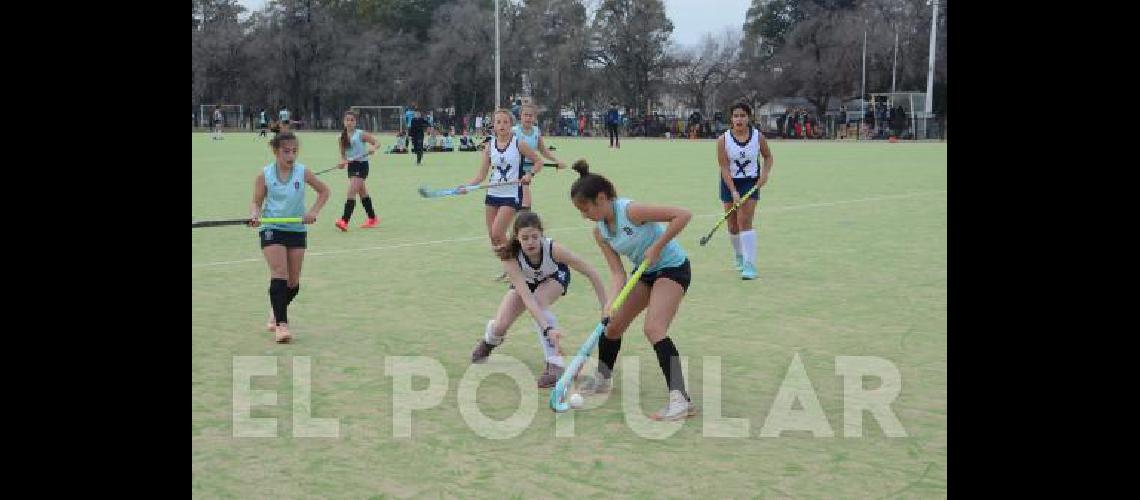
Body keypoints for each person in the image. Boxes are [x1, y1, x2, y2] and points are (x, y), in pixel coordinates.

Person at [568, 160, 696, 421]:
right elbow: (617, 273)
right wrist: (610, 303)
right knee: (612, 326)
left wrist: (658, 245)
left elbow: (682, 214)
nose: (584, 215)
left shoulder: (631, 211)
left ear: (601, 199)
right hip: (645, 273)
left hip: (672, 269)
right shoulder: (600, 232)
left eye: (585, 209)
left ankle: (681, 400)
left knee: (654, 329)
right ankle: (603, 378)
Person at [470, 211, 608, 387]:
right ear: (517, 238)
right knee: (501, 325)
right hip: (527, 283)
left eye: (535, 237)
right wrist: (548, 328)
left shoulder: (554, 250)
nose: (530, 242)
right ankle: (489, 341)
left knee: (540, 301)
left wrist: (605, 305)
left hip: (555, 277)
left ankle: (555, 365)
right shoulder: (510, 256)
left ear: (542, 235)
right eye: (525, 237)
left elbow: (591, 272)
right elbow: (527, 298)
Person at [248, 132, 331, 343]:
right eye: (286, 151)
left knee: (293, 284)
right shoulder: (264, 175)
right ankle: (281, 326)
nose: (291, 156)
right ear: (276, 151)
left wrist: (313, 212)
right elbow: (256, 202)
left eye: (294, 151)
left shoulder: (303, 172)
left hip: (296, 229)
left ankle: (276, 310)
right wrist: (255, 215)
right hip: (272, 227)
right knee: (280, 273)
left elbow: (324, 192)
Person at [456, 108, 546, 273]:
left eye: (505, 122)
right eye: (498, 122)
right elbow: (481, 175)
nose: (502, 125)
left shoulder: (519, 143)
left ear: (511, 125)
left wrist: (529, 174)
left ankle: (518, 266)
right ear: (494, 126)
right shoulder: (489, 147)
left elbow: (538, 162)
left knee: (498, 232)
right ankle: (511, 268)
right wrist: (467, 186)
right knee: (493, 237)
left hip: (511, 194)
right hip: (492, 194)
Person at [716, 103, 774, 280]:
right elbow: (724, 167)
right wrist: (733, 191)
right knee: (732, 225)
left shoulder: (758, 137)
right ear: (731, 119)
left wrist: (764, 174)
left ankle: (750, 264)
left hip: (750, 182)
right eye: (735, 116)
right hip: (729, 183)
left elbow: (768, 157)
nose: (739, 119)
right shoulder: (723, 140)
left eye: (742, 116)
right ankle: (739, 255)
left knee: (744, 221)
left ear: (749, 118)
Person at [512, 103, 567, 210]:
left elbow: (543, 150)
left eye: (530, 115)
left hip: (529, 170)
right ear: (520, 116)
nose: (528, 118)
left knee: (523, 199)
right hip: (514, 169)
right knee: (521, 198)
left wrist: (556, 161)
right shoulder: (513, 131)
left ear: (535, 118)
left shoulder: (536, 131)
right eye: (525, 115)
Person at [333, 110, 381, 231]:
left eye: (352, 120)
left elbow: (377, 142)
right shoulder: (341, 137)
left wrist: (373, 148)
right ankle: (372, 218)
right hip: (351, 166)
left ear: (355, 122)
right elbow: (344, 156)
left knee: (351, 192)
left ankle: (344, 221)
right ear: (344, 121)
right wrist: (342, 163)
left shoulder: (360, 134)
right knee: (362, 193)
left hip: (362, 165)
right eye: (347, 120)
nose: (349, 122)